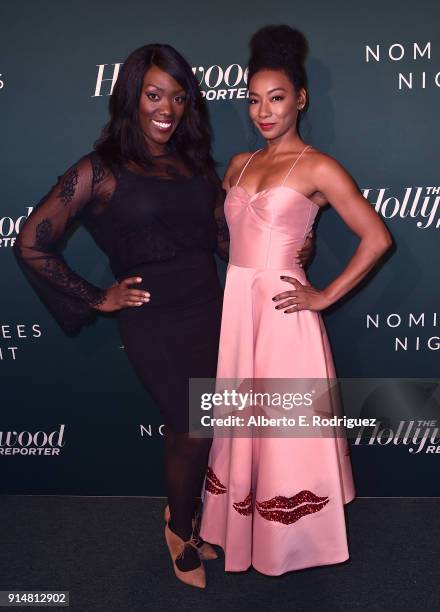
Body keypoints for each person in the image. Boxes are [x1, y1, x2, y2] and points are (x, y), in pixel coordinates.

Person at [12, 41, 315, 588]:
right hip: (154, 321)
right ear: (132, 96)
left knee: (203, 428)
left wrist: (289, 245)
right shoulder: (100, 170)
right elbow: (31, 242)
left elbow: (225, 241)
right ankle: (179, 529)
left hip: (211, 311)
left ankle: (187, 520)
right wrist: (95, 296)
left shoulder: (194, 164)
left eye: (177, 97)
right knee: (191, 426)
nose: (166, 109)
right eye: (154, 94)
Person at [199, 25, 392, 576]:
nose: (264, 111)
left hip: (284, 318)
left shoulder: (318, 166)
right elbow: (232, 235)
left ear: (300, 99)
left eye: (277, 98)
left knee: (284, 434)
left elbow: (377, 237)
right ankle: (237, 529)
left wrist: (324, 294)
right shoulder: (236, 164)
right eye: (254, 100)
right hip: (238, 309)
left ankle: (291, 544)